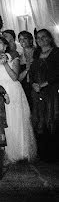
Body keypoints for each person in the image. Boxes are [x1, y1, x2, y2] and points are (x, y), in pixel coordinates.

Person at [0, 34, 37, 162]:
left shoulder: (13, 57)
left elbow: (15, 77)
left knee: (13, 119)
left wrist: (5, 64)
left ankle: (18, 152)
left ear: (5, 46)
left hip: (11, 90)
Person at [29, 29, 59, 161]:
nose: (40, 40)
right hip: (37, 92)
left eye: (43, 37)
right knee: (39, 119)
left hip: (52, 91)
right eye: (38, 38)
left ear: (49, 38)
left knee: (52, 118)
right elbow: (32, 72)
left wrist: (45, 84)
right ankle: (44, 153)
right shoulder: (37, 54)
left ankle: (54, 153)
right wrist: (34, 84)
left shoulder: (56, 53)